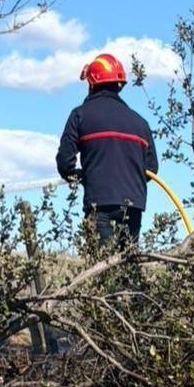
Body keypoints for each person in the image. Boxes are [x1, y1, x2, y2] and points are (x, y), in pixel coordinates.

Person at [56, 53, 158, 250]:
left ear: (92, 83)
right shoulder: (140, 123)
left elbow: (64, 162)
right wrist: (127, 179)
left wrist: (82, 177)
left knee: (101, 271)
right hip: (133, 206)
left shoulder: (80, 115)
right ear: (118, 85)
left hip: (99, 203)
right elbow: (152, 168)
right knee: (127, 269)